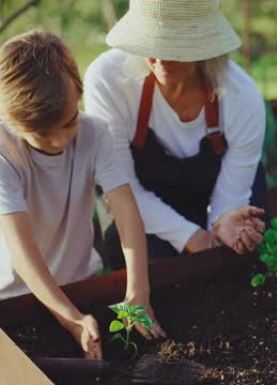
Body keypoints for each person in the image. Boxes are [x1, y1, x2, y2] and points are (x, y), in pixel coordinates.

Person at [0, 29, 165, 359]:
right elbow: (22, 252)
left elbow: (126, 211)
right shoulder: (5, 154)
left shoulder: (94, 135)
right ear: (15, 123)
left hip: (80, 284)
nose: (61, 141)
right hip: (12, 300)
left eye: (69, 122)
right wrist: (69, 318)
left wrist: (138, 291)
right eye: (42, 135)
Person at [84, 0, 268, 267]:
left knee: (244, 253)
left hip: (219, 195)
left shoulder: (242, 96)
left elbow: (230, 197)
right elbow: (122, 189)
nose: (160, 57)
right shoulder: (109, 79)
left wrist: (222, 226)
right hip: (141, 205)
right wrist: (193, 237)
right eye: (152, 41)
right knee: (138, 256)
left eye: (174, 45)